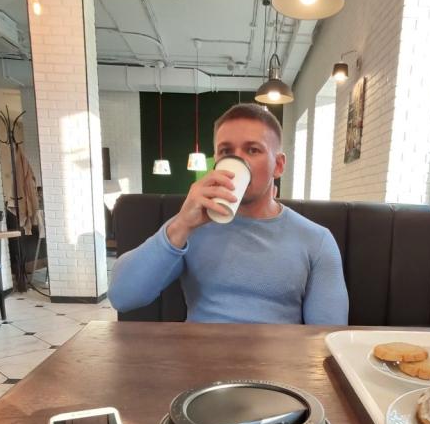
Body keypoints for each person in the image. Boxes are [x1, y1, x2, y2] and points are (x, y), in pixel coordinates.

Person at [109, 103, 349, 325]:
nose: (238, 160)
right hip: (200, 355)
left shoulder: (316, 240)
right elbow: (122, 297)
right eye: (226, 151)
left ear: (278, 165)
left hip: (278, 357)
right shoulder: (191, 226)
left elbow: (326, 334)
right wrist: (181, 224)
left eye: (253, 150)